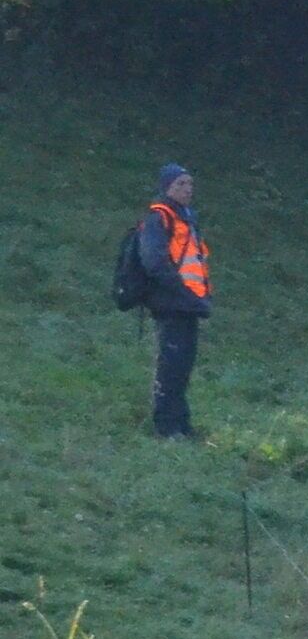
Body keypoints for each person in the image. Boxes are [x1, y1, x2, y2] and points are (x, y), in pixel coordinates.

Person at [131, 163, 211, 438]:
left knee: (182, 366)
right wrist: (183, 293)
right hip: (171, 303)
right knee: (171, 365)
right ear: (167, 187)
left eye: (190, 184)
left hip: (187, 304)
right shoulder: (159, 218)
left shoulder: (186, 219)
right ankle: (166, 427)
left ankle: (182, 425)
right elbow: (155, 262)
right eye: (181, 184)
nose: (188, 189)